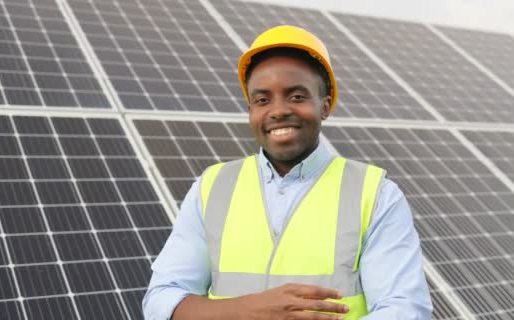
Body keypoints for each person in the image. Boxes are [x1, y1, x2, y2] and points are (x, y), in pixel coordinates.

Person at [143, 25, 432, 320]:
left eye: (296, 96)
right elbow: (162, 300)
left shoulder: (375, 194)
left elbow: (406, 310)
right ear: (250, 110)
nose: (278, 110)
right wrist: (247, 310)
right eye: (262, 100)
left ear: (325, 106)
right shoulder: (212, 187)